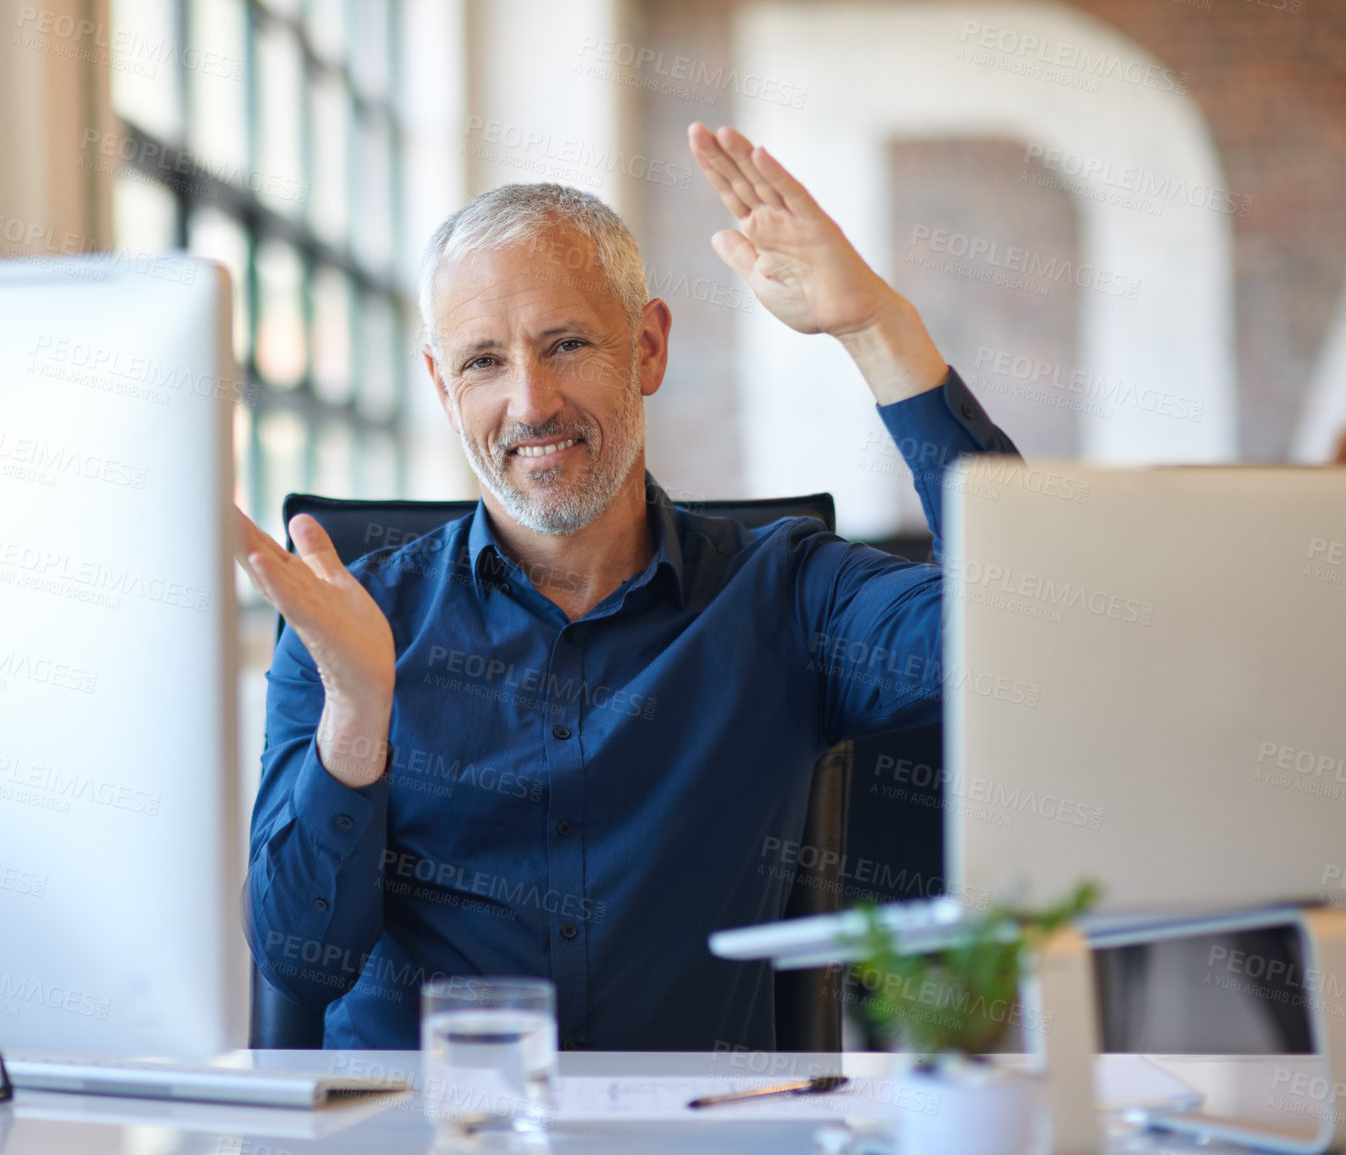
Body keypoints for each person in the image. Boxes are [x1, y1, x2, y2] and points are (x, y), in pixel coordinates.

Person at [235, 123, 1019, 1050]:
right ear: (444, 390)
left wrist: (877, 330)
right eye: (483, 361)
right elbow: (298, 965)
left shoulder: (788, 596)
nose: (530, 403)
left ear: (647, 348)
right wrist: (356, 719)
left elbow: (1019, 623)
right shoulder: (347, 626)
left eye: (565, 344)